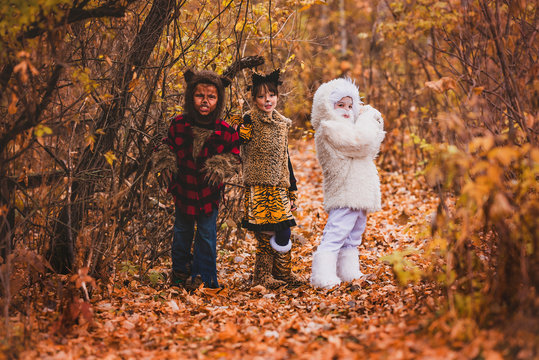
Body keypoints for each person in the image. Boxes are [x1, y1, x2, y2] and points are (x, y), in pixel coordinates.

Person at [160, 69, 241, 289]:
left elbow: (235, 156)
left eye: (211, 97)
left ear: (219, 100)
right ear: (190, 97)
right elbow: (168, 146)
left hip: (208, 194)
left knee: (206, 235)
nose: (205, 101)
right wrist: (165, 160)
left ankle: (204, 277)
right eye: (199, 96)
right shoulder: (179, 124)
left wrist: (220, 166)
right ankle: (179, 275)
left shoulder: (224, 130)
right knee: (181, 234)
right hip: (183, 192)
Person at [309, 77, 385, 288]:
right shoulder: (330, 127)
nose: (346, 110)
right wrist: (368, 118)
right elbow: (361, 142)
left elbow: (369, 145)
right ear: (327, 106)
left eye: (351, 106)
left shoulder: (345, 126)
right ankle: (322, 276)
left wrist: (366, 118)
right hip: (344, 189)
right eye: (340, 105)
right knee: (336, 233)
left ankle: (348, 271)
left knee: (353, 237)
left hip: (358, 190)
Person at [238, 69, 303, 288]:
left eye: (272, 95)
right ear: (254, 99)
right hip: (260, 186)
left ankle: (283, 273)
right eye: (262, 96)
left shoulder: (282, 123)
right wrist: (241, 127)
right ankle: (262, 276)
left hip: (279, 187)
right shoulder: (250, 120)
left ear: (277, 96)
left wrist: (292, 189)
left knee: (284, 230)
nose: (268, 100)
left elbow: (286, 157)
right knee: (266, 232)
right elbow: (240, 138)